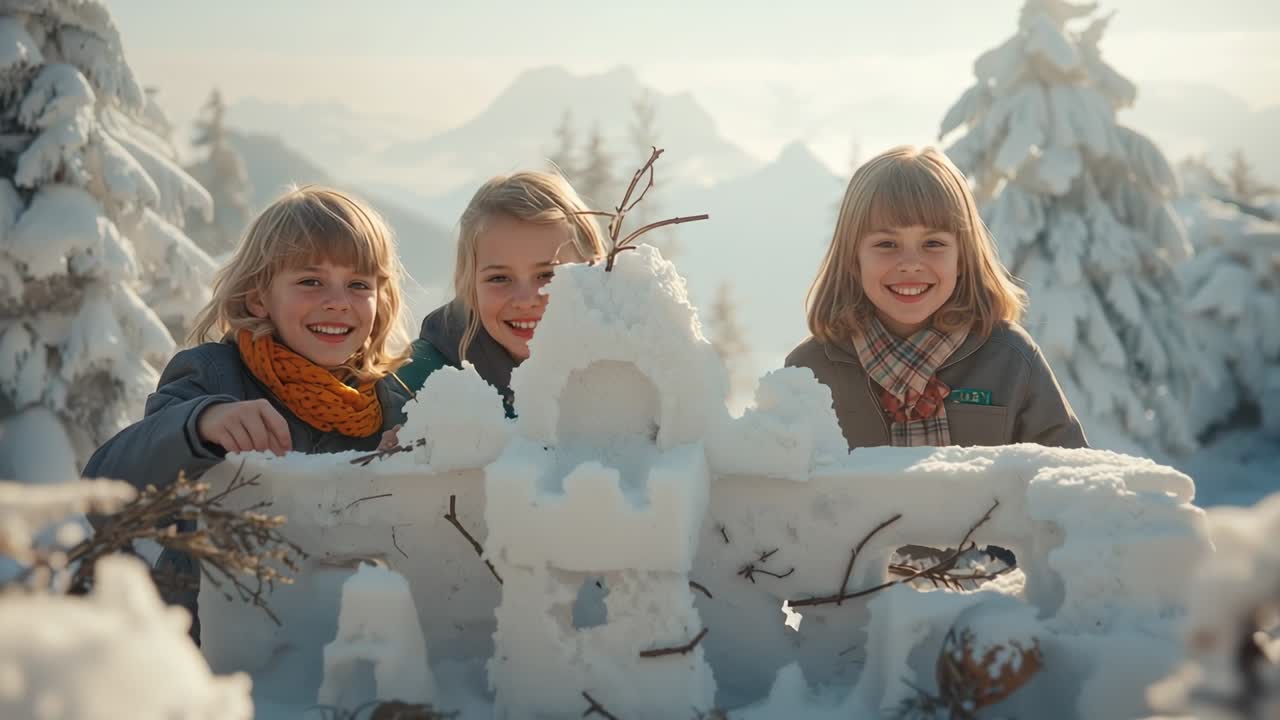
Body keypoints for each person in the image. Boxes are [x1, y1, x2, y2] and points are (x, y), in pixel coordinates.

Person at [83, 185, 414, 639]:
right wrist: (198, 424)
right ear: (259, 298)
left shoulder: (388, 401)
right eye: (311, 281)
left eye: (359, 284)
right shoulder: (216, 376)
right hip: (206, 646)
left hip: (332, 648)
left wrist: (416, 455)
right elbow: (106, 489)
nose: (338, 300)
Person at [786, 145, 1087, 450]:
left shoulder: (1010, 359)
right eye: (887, 244)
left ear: (962, 259)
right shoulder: (810, 370)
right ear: (853, 259)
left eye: (933, 243)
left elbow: (1067, 478)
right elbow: (775, 487)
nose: (911, 263)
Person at [394, 171, 606, 414]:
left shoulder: (638, 370)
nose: (525, 301)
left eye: (548, 274)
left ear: (593, 271)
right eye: (499, 278)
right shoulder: (417, 383)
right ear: (470, 287)